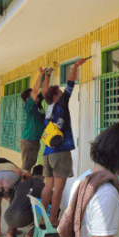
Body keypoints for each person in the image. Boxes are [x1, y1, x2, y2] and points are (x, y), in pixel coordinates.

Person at [40, 56, 90, 226]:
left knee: (48, 186)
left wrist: (46, 76)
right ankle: (53, 218)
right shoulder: (61, 103)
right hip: (60, 152)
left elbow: (43, 91)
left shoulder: (48, 109)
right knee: (59, 187)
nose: (62, 93)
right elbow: (70, 83)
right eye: (59, 93)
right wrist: (75, 66)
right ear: (55, 96)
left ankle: (42, 218)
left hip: (47, 152)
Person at [0, 158, 34, 237]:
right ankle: (11, 233)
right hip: (11, 176)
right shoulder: (12, 166)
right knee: (14, 203)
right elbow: (29, 175)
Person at [19, 67, 51, 173]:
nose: (37, 95)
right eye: (33, 95)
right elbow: (36, 91)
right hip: (28, 141)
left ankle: (26, 184)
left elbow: (44, 90)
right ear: (28, 98)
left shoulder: (37, 104)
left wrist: (48, 75)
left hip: (35, 141)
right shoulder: (29, 106)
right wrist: (41, 75)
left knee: (31, 165)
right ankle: (22, 187)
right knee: (26, 167)